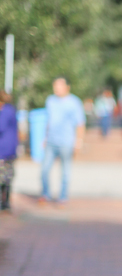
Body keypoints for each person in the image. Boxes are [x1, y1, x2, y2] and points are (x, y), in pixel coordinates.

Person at [40, 77, 85, 205]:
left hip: (66, 142)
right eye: (55, 85)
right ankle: (46, 194)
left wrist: (78, 142)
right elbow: (49, 121)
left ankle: (63, 196)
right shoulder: (50, 100)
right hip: (51, 141)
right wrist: (45, 137)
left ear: (67, 87)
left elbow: (80, 124)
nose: (56, 88)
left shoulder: (74, 102)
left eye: (59, 85)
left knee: (65, 171)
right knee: (44, 169)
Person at [0, 91, 18, 212]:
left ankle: (4, 203)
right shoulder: (10, 109)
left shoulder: (5, 111)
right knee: (7, 176)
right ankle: (6, 202)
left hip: (3, 149)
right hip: (10, 149)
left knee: (3, 176)